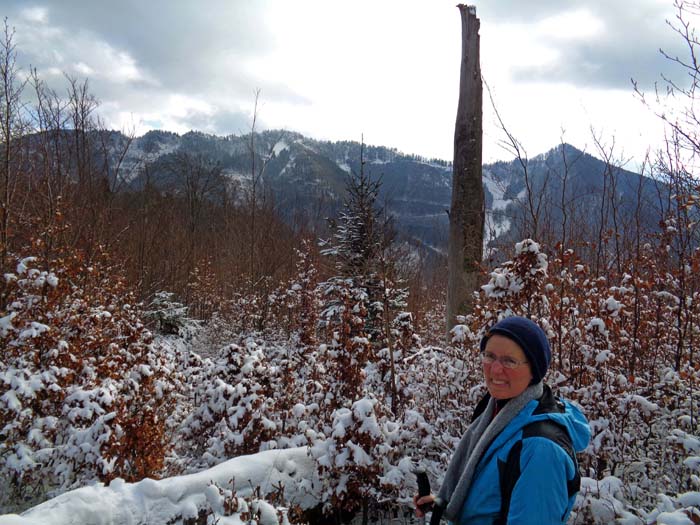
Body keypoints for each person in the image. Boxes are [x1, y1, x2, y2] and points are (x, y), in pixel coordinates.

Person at [414, 316, 590, 524]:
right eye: (489, 356)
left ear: (534, 369)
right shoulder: (496, 411)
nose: (495, 369)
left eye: (509, 361)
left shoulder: (540, 449)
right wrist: (442, 506)